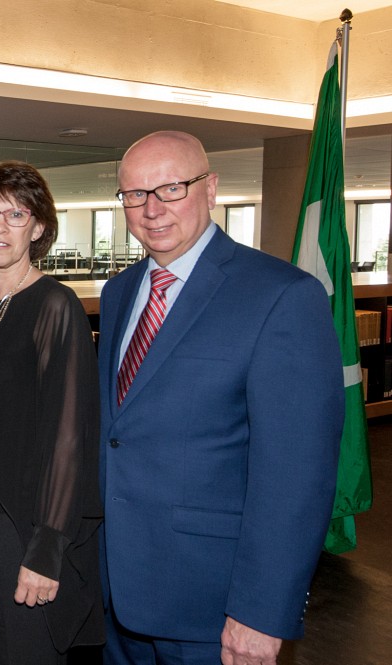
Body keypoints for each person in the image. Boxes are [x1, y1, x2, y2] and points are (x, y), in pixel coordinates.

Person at [98, 130, 344, 665]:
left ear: (211, 189)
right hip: (119, 594)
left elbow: (296, 474)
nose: (151, 209)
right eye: (135, 195)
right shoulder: (119, 292)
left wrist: (261, 611)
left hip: (213, 604)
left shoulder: (282, 296)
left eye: (171, 188)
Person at [0, 161, 104, 664]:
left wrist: (47, 548)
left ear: (37, 227)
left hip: (16, 524)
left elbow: (69, 437)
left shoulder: (55, 306)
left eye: (15, 214)